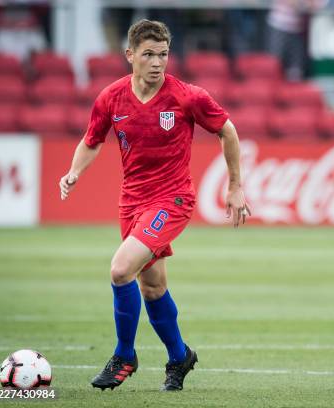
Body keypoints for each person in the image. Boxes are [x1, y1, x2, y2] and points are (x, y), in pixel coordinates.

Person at [58, 19, 251, 392]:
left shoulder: (186, 96)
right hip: (132, 202)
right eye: (148, 54)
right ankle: (180, 357)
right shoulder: (111, 98)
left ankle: (124, 354)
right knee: (152, 286)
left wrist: (235, 186)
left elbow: (228, 130)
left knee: (120, 269)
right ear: (130, 55)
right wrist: (73, 171)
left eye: (163, 54)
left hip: (173, 199)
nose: (157, 62)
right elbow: (92, 139)